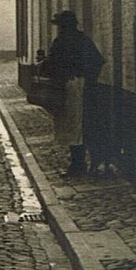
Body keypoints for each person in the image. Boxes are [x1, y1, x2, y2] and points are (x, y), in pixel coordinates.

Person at [37, 10, 104, 177]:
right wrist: (89, 79)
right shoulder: (84, 40)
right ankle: (81, 163)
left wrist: (45, 64)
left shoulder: (61, 42)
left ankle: (78, 164)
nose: (59, 29)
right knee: (78, 126)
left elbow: (52, 65)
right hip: (83, 86)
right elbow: (98, 61)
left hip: (70, 88)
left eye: (60, 26)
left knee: (73, 126)